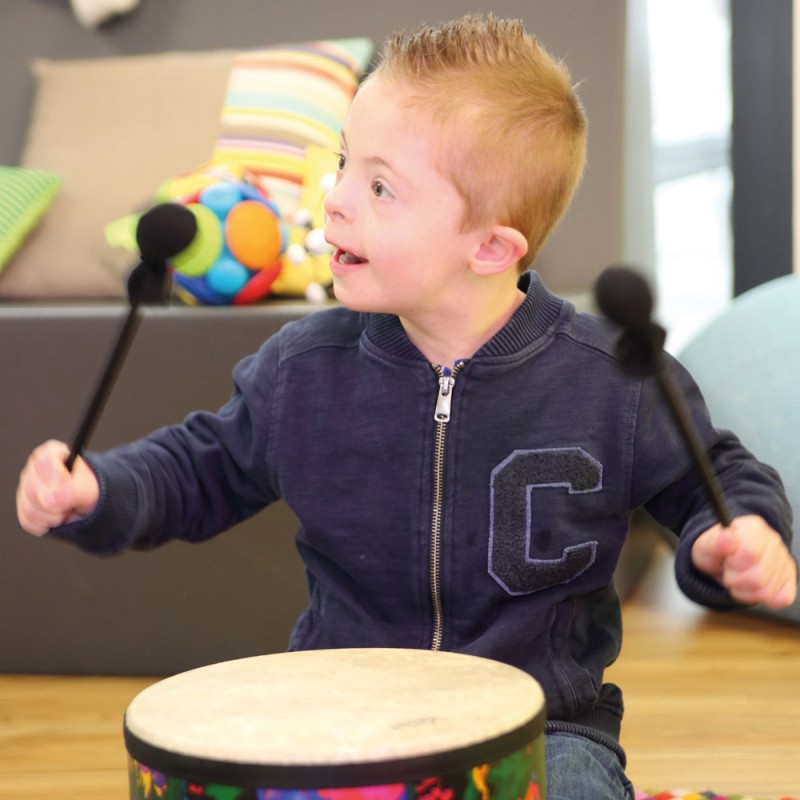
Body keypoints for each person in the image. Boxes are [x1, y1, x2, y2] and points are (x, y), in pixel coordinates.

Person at [16, 15, 797, 800]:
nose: (338, 197)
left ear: (490, 248)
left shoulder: (613, 380)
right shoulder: (303, 369)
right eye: (346, 163)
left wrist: (739, 536)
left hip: (543, 728)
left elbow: (714, 479)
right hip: (342, 721)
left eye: (380, 186)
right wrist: (97, 490)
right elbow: (201, 466)